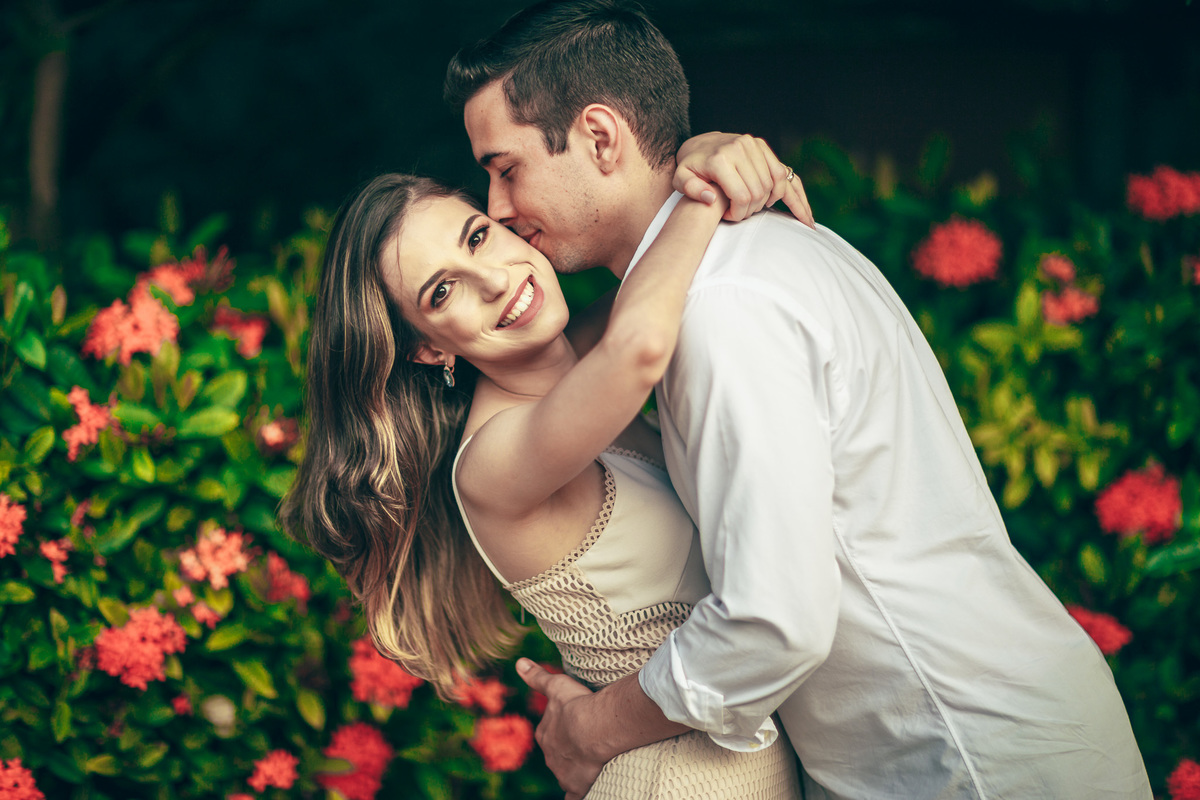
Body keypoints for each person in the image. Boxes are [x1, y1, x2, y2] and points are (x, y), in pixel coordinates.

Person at [442, 1, 1154, 799]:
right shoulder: (739, 258)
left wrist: (590, 730)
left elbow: (772, 620)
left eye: (506, 168)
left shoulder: (722, 308)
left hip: (959, 755)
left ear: (601, 138)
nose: (496, 206)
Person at [281, 148, 812, 795]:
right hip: (676, 778)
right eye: (442, 291)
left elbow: (662, 269)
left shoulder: (579, 355)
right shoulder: (491, 462)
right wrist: (704, 191)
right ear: (428, 347)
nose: (494, 280)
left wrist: (712, 153)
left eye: (478, 237)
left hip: (730, 752)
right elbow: (641, 344)